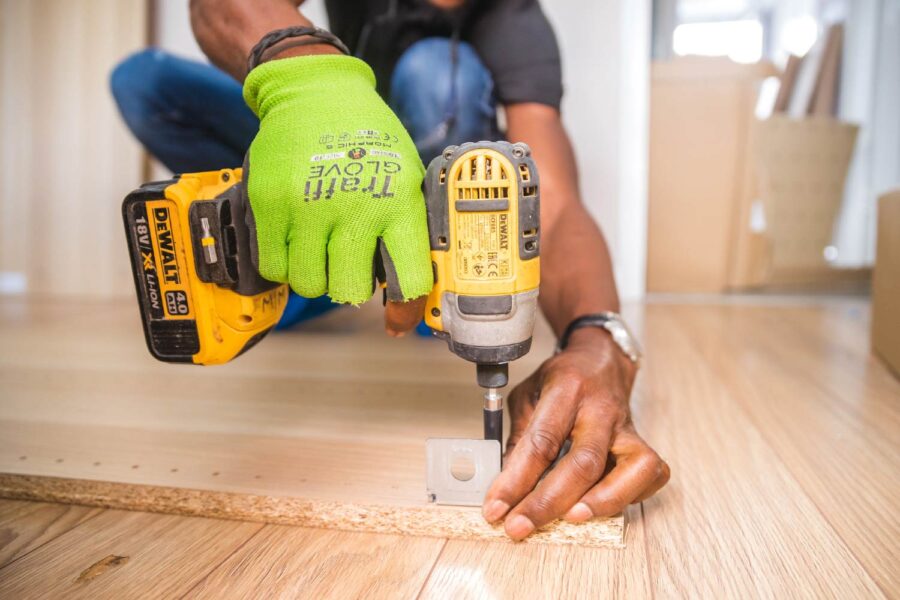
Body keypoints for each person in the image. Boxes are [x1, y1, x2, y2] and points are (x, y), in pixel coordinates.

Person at [110, 0, 669, 541]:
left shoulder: (515, 18)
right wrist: (310, 79)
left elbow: (557, 204)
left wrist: (599, 339)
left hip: (422, 194)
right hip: (323, 147)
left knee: (436, 70)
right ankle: (315, 258)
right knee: (147, 81)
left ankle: (404, 274)